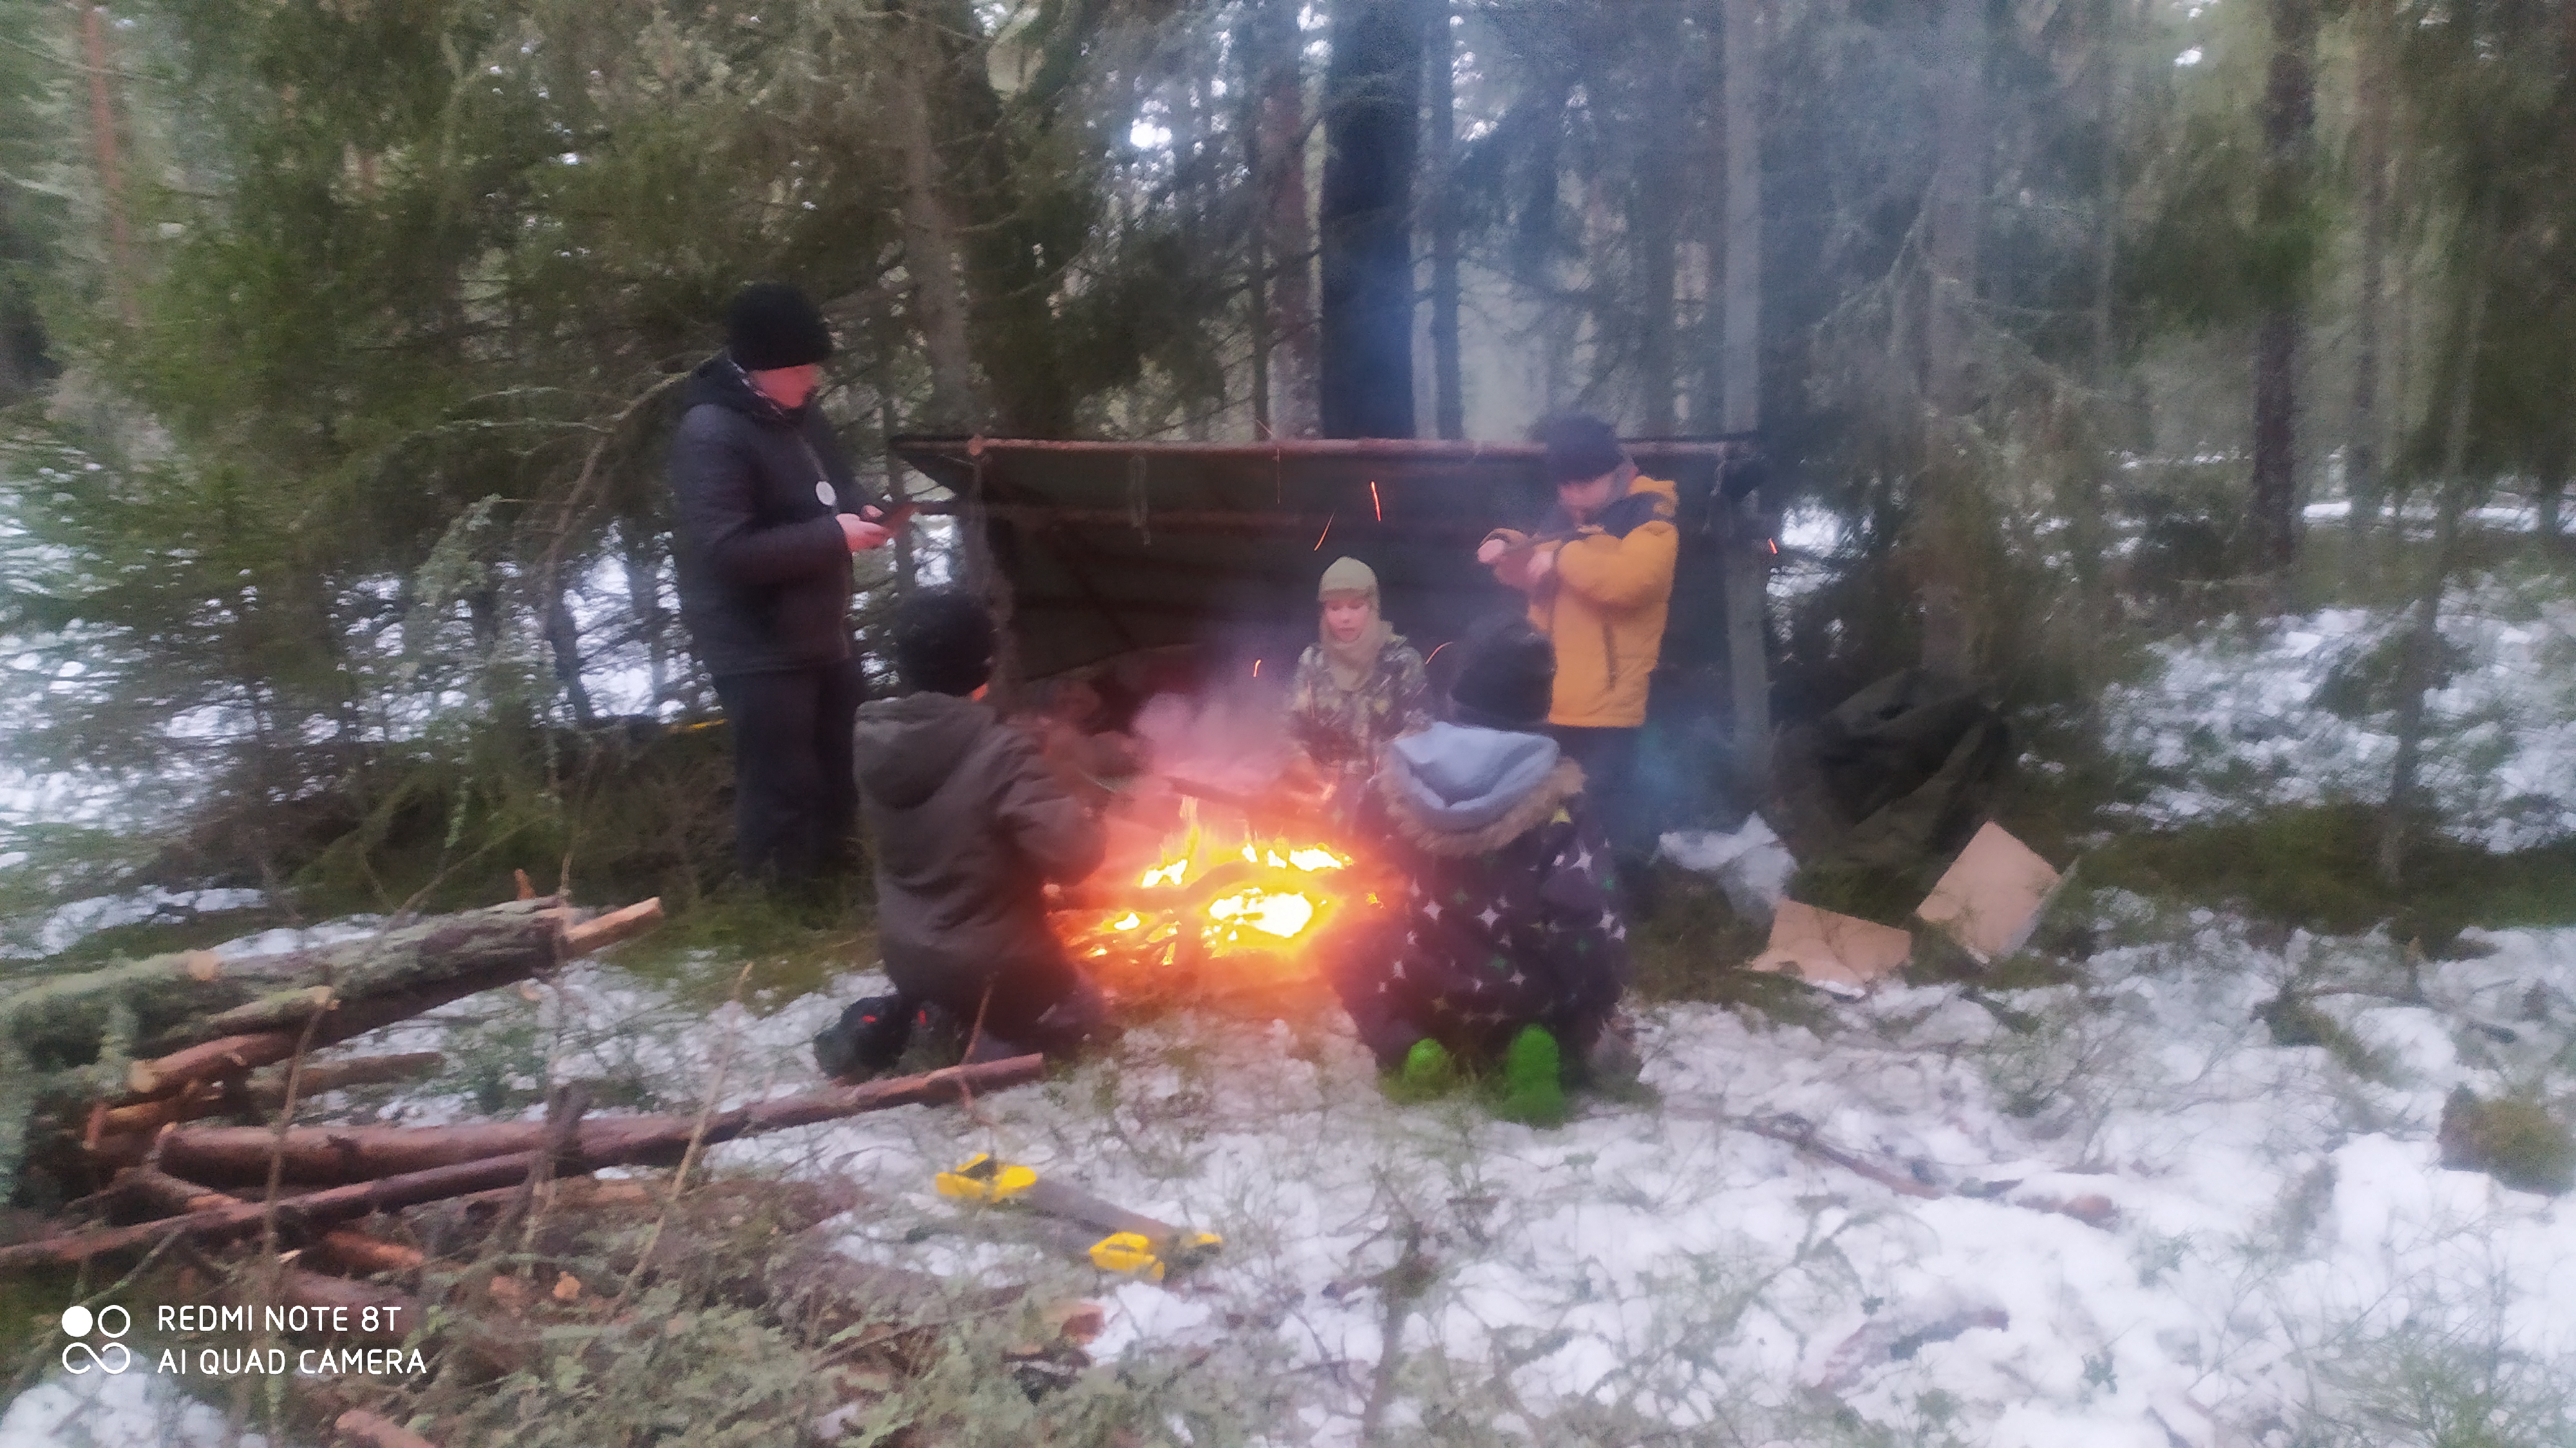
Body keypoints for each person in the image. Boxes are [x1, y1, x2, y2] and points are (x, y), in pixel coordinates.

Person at [1323, 616, 1630, 1126]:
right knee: (1568, 983)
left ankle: (1408, 1045)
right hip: (1524, 997)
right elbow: (1588, 918)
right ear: (1541, 706)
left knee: (1335, 936)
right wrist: (1596, 1002)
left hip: (1417, 987)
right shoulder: (1562, 802)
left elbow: (1357, 873)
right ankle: (1539, 1043)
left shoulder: (1393, 779)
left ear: (1456, 696)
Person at [812, 587, 1110, 1080]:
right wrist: (1084, 812)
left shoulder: (873, 742)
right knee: (1088, 1009)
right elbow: (1076, 857)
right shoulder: (1001, 751)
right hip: (998, 970)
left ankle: (934, 1014)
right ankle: (993, 1039)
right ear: (984, 666)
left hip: (905, 957)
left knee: (960, 970)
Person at [669, 282, 894, 886]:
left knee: (841, 764)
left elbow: (836, 485)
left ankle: (837, 882)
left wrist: (861, 510)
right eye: (798, 369)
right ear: (759, 368)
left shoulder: (800, 414)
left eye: (813, 366)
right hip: (757, 641)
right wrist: (832, 538)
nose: (811, 379)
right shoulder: (710, 433)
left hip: (822, 628)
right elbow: (725, 551)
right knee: (781, 783)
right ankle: (780, 900)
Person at [1476, 414, 1678, 908]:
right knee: (1550, 809)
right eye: (1564, 485)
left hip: (1607, 705)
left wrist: (1563, 558)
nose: (1571, 495)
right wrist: (1506, 549)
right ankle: (1559, 902)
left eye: (1582, 483)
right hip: (1551, 697)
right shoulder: (1563, 515)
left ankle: (1614, 909)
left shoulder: (1650, 512)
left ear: (1614, 472)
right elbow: (1531, 572)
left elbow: (1633, 582)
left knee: (1602, 813)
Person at [1282, 557, 1432, 826]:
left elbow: (1419, 734)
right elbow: (1292, 728)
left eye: (1355, 606)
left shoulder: (1401, 662)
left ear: (1373, 606)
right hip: (1319, 799)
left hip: (1385, 804)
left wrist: (1370, 783)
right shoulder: (1312, 661)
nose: (1345, 618)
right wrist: (1302, 764)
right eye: (1334, 607)